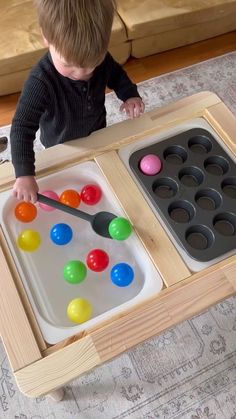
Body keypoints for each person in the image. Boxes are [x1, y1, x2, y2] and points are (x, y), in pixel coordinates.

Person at [10, 0, 145, 203]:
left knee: (103, 181)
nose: (83, 73)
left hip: (98, 133)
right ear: (46, 38)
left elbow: (116, 75)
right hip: (60, 145)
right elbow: (21, 127)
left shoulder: (98, 57)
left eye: (94, 64)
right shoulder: (40, 81)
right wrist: (24, 174)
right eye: (69, 65)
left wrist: (130, 95)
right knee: (71, 184)